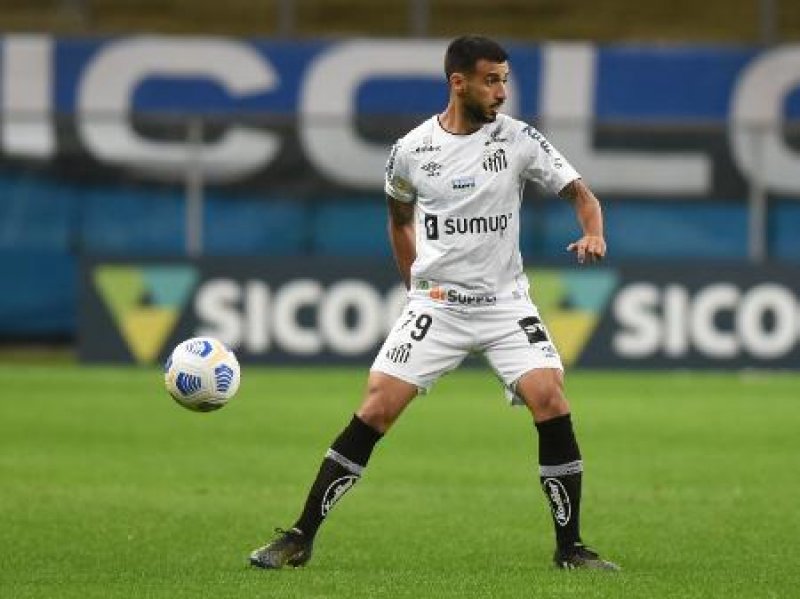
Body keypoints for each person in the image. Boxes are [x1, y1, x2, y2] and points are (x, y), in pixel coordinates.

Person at [250, 35, 619, 571]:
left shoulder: (518, 140)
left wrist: (594, 233)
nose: (501, 93)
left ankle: (571, 548)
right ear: (459, 82)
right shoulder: (411, 150)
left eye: (505, 81)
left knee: (550, 396)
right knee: (376, 407)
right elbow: (399, 220)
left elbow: (582, 196)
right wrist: (415, 291)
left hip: (503, 304)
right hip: (438, 305)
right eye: (492, 81)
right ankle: (300, 536)